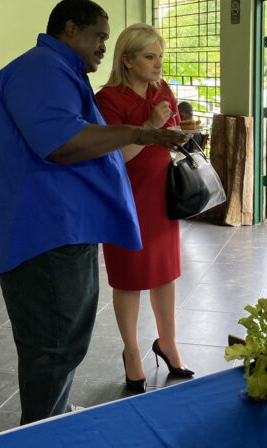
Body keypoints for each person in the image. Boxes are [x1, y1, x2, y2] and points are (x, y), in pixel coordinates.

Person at [0, 0, 187, 424]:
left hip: (63, 228)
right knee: (53, 345)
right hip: (44, 231)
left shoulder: (59, 71)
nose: (101, 48)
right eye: (98, 37)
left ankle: (51, 414)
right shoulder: (39, 71)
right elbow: (62, 142)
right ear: (71, 29)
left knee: (63, 340)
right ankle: (41, 429)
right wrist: (140, 132)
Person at [96, 24, 193, 393]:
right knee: (129, 277)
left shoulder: (161, 90)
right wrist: (150, 126)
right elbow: (113, 156)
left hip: (160, 193)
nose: (158, 65)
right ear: (127, 59)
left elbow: (167, 139)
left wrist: (176, 134)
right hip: (125, 197)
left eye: (160, 57)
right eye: (150, 57)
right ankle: (132, 352)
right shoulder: (108, 100)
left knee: (165, 273)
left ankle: (167, 342)